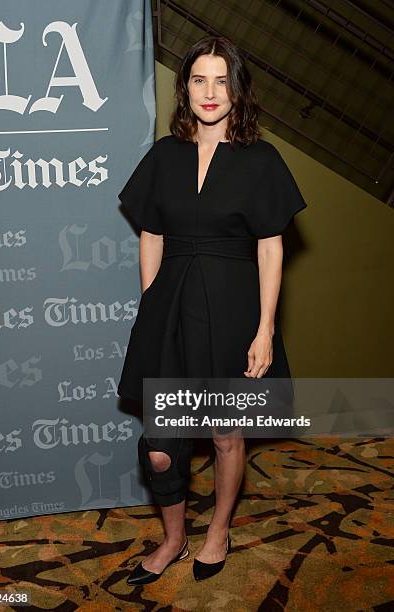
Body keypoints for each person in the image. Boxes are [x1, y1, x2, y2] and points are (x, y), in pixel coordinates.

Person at [118, 35, 307, 585]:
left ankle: (218, 529)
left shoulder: (261, 159)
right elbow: (150, 233)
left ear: (237, 88)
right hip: (170, 307)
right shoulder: (165, 155)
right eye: (199, 79)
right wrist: (152, 301)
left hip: (231, 309)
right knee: (160, 445)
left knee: (226, 434)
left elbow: (270, 247)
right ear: (185, 88)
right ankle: (174, 537)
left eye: (221, 80)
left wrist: (266, 328)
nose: (209, 91)